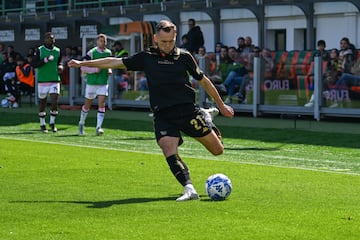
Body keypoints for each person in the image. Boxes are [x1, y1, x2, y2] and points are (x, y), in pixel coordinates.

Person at [68, 20, 234, 202]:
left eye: (171, 41)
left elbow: (204, 81)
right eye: (164, 42)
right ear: (155, 38)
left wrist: (221, 105)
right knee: (168, 148)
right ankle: (189, 188)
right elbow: (114, 62)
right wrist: (83, 63)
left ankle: (206, 116)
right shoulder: (146, 57)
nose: (168, 45)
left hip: (188, 111)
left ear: (175, 37)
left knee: (218, 151)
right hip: (163, 114)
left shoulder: (185, 57)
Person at [78, 34, 112, 136]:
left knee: (102, 104)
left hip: (103, 82)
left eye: (105, 41)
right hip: (92, 83)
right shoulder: (91, 53)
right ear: (97, 42)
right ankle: (81, 123)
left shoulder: (108, 53)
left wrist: (109, 69)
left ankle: (98, 127)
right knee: (87, 105)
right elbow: (83, 67)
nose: (103, 43)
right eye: (101, 41)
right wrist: (94, 70)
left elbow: (110, 63)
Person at [31, 32, 63, 133]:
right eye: (49, 38)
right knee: (43, 102)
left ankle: (52, 123)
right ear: (45, 39)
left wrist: (61, 66)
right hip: (43, 80)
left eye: (53, 38)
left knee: (55, 100)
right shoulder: (40, 50)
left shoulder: (57, 51)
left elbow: (60, 62)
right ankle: (42, 123)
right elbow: (34, 64)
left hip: (54, 79)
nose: (52, 40)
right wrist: (45, 60)